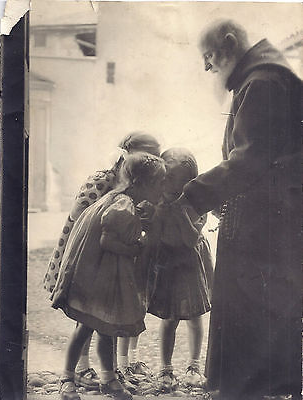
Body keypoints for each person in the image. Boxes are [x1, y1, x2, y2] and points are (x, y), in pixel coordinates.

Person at [176, 19, 302, 400]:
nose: (207, 67)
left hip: (266, 222)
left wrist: (194, 196)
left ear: (230, 45)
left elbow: (250, 158)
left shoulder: (262, 82)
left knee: (252, 312)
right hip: (268, 216)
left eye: (209, 56)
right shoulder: (261, 77)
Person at [44, 132, 161, 390]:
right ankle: (74, 375)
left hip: (106, 270)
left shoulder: (125, 194)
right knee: (87, 321)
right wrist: (135, 246)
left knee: (105, 324)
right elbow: (102, 234)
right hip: (91, 265)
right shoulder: (113, 192)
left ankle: (108, 378)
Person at [148, 148, 213, 393]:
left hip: (189, 261)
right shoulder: (157, 199)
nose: (171, 189)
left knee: (196, 315)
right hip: (168, 263)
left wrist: (177, 210)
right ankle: (165, 368)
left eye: (179, 184)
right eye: (166, 181)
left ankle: (194, 366)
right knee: (169, 317)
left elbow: (189, 238)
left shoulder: (197, 203)